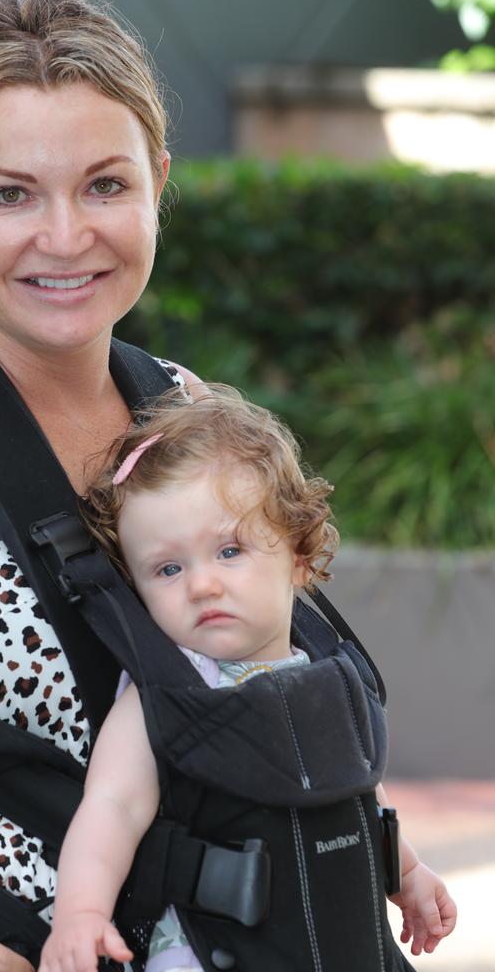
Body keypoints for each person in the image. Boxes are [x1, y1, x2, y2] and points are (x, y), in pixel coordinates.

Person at [0, 0, 452, 972]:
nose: (65, 236)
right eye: (9, 194)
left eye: (105, 185)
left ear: (159, 180)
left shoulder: (183, 409)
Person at [38, 385, 457, 972]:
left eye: (229, 551)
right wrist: (80, 914)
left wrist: (405, 871)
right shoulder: (168, 697)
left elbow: (352, 789)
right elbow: (111, 808)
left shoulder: (326, 674)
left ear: (300, 555)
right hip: (212, 953)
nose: (201, 584)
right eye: (167, 568)